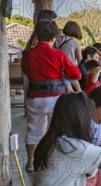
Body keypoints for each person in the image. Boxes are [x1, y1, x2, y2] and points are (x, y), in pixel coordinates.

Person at [21, 20, 81, 172]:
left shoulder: (27, 54)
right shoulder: (58, 54)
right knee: (59, 129)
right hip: (56, 98)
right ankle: (55, 161)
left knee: (34, 129)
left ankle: (30, 162)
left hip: (35, 97)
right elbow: (76, 74)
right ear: (54, 37)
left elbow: (27, 71)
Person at [55, 21, 83, 92]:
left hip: (58, 70)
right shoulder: (76, 44)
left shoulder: (56, 40)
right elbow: (80, 61)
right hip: (70, 70)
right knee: (78, 90)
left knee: (69, 89)